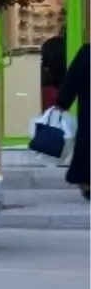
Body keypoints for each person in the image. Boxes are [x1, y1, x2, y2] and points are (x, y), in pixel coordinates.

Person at [54, 38, 91, 200]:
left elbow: (73, 79)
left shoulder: (87, 53)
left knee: (88, 145)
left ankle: (87, 181)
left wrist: (62, 103)